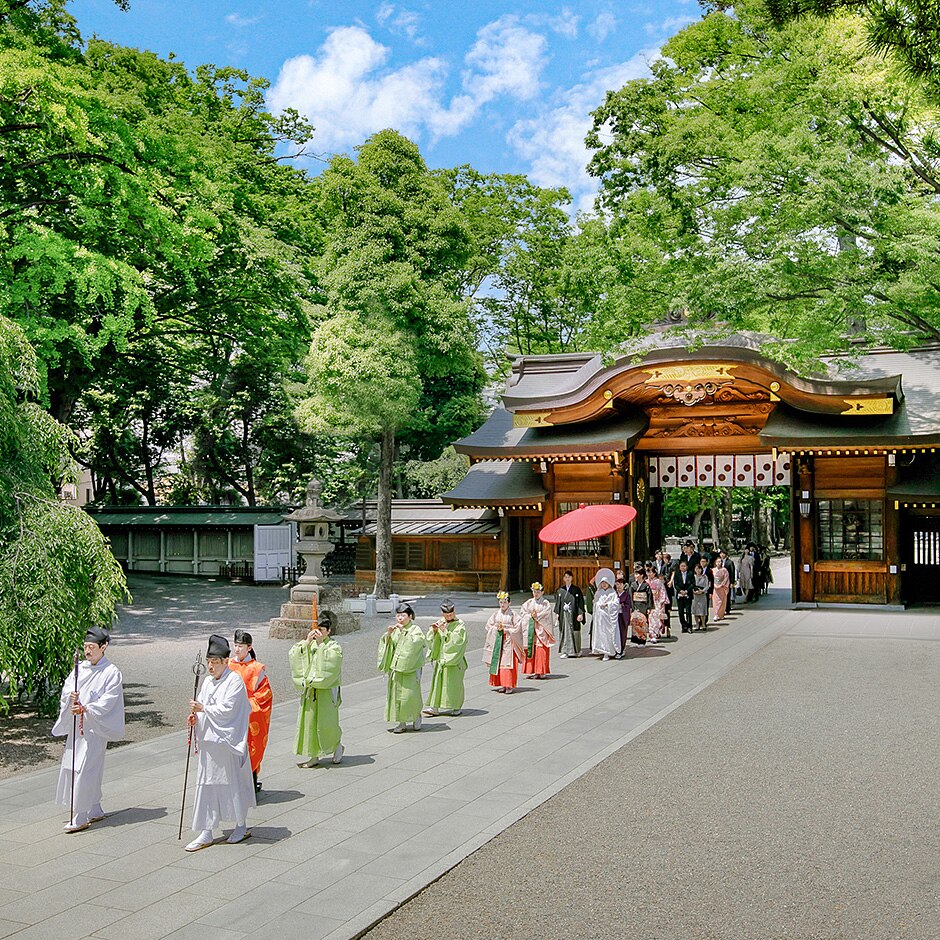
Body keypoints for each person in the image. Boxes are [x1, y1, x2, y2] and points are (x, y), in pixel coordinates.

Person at [185, 634, 255, 851]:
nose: (211, 666)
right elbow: (204, 708)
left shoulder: (234, 681)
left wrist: (203, 709)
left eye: (215, 662)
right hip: (209, 743)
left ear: (226, 661)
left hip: (227, 742)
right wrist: (195, 717)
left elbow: (229, 711)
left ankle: (240, 825)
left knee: (232, 784)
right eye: (209, 662)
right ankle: (206, 831)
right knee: (206, 786)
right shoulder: (206, 682)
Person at [52, 626, 125, 833]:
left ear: (104, 647)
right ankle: (94, 807)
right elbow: (67, 689)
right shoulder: (80, 668)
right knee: (73, 765)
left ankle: (80, 815)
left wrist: (87, 708)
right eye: (85, 647)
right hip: (77, 726)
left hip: (94, 728)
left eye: (92, 647)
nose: (88, 651)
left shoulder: (111, 672)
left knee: (86, 768)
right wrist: (70, 699)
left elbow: (109, 701)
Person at [290, 610, 343, 767]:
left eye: (322, 630)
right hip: (311, 690)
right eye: (316, 629)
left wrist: (320, 645)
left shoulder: (334, 647)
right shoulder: (310, 644)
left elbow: (332, 662)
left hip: (327, 690)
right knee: (310, 722)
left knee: (327, 722)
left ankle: (336, 746)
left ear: (329, 631)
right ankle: (313, 755)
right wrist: (306, 642)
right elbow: (295, 654)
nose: (318, 633)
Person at [227, 629, 272, 793]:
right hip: (231, 716)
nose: (237, 649)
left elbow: (264, 695)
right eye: (236, 645)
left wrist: (246, 705)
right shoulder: (228, 665)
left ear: (249, 647)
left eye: (241, 646)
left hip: (248, 716)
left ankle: (250, 786)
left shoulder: (257, 669)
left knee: (250, 750)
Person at [378, 603, 428, 733]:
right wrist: (388, 636)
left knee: (411, 695)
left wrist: (403, 631)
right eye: (398, 615)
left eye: (403, 615)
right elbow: (388, 646)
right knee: (397, 696)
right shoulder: (395, 630)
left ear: (410, 616)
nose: (400, 618)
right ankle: (401, 722)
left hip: (411, 668)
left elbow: (417, 643)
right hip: (396, 667)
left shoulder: (415, 630)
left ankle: (416, 716)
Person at [423, 601, 468, 717]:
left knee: (453, 684)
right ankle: (434, 707)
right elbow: (432, 639)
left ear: (454, 612)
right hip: (441, 659)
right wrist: (434, 631)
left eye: (451, 614)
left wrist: (444, 631)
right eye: (446, 615)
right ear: (442, 614)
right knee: (438, 684)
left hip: (454, 660)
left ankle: (456, 707)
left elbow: (457, 642)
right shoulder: (441, 622)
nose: (449, 617)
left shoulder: (460, 625)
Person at [484, 591, 525, 693]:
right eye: (501, 602)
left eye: (505, 602)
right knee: (499, 663)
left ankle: (509, 685)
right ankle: (502, 684)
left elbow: (518, 627)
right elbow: (488, 625)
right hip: (498, 640)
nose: (502, 604)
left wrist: (507, 630)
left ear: (509, 603)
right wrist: (495, 628)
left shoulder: (513, 615)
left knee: (507, 665)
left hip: (509, 641)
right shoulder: (495, 614)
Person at [519, 581, 556, 679]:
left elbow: (546, 615)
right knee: (532, 649)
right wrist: (530, 616)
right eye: (534, 592)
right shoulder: (529, 602)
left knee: (541, 650)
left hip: (541, 629)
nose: (536, 594)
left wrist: (537, 616)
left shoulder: (545, 603)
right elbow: (523, 612)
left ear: (542, 592)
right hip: (531, 628)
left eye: (538, 592)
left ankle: (541, 670)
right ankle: (533, 670)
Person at [590, 569, 621, 661]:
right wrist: (597, 605)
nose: (604, 584)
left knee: (608, 634)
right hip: (600, 618)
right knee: (601, 634)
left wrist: (608, 604)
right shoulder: (598, 593)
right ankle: (601, 650)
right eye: (602, 582)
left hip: (608, 618)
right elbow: (595, 603)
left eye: (605, 582)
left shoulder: (612, 593)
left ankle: (608, 652)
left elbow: (616, 603)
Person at [554, 570, 585, 658]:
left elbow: (580, 603)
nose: (567, 579)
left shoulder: (576, 590)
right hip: (564, 615)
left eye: (569, 577)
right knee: (564, 631)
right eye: (566, 577)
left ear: (572, 578)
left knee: (575, 631)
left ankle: (577, 650)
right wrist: (557, 614)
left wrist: (580, 613)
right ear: (564, 579)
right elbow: (558, 603)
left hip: (573, 614)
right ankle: (565, 651)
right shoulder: (560, 590)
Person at [629, 564, 652, 644]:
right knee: (635, 622)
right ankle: (635, 639)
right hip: (635, 604)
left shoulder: (646, 585)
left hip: (643, 605)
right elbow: (630, 596)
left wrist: (649, 607)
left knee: (643, 623)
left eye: (637, 574)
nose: (636, 576)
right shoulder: (633, 585)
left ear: (642, 575)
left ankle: (642, 640)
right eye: (635, 574)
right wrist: (631, 606)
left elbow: (649, 597)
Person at [647, 563, 668, 643]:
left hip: (657, 602)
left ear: (654, 573)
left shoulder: (658, 582)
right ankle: (651, 634)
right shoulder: (646, 582)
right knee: (650, 618)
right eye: (648, 572)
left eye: (651, 572)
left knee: (656, 618)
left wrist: (662, 602)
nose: (649, 574)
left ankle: (655, 634)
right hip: (649, 602)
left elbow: (663, 592)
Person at [673, 560, 696, 633]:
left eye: (684, 566)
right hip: (680, 595)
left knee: (688, 611)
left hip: (688, 594)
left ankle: (689, 626)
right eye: (681, 566)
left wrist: (686, 591)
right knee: (680, 612)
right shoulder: (677, 574)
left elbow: (693, 584)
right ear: (679, 567)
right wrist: (680, 591)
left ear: (687, 567)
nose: (683, 567)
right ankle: (684, 625)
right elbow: (675, 584)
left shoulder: (690, 573)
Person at [615, 575, 631, 654]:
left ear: (624, 585)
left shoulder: (626, 595)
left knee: (622, 632)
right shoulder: (614, 594)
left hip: (622, 615)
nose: (619, 586)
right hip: (615, 616)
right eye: (617, 584)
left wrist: (622, 605)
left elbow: (628, 605)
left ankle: (621, 649)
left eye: (621, 584)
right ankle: (615, 649)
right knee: (615, 633)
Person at [712, 557, 731, 621]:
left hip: (722, 587)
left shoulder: (724, 570)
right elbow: (711, 579)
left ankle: (721, 614)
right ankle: (716, 614)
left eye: (720, 561)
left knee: (722, 601)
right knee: (715, 601)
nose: (719, 563)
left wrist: (722, 584)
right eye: (717, 562)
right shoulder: (713, 570)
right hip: (715, 587)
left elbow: (726, 578)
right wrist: (714, 585)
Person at [692, 564, 710, 631]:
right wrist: (694, 591)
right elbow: (691, 585)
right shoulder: (693, 577)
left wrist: (703, 591)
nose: (698, 570)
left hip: (702, 595)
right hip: (695, 595)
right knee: (695, 611)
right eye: (696, 569)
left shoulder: (704, 577)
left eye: (699, 569)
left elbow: (707, 585)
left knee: (702, 610)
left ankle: (703, 624)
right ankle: (697, 624)